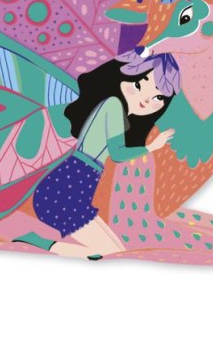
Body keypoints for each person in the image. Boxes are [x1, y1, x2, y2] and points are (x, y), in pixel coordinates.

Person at [16, 51, 180, 259]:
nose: (145, 100)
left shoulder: (119, 112)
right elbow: (118, 154)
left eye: (157, 97)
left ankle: (41, 241)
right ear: (125, 78)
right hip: (64, 191)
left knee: (116, 250)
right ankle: (38, 241)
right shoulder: (114, 105)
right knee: (107, 251)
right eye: (139, 85)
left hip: (76, 190)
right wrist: (152, 147)